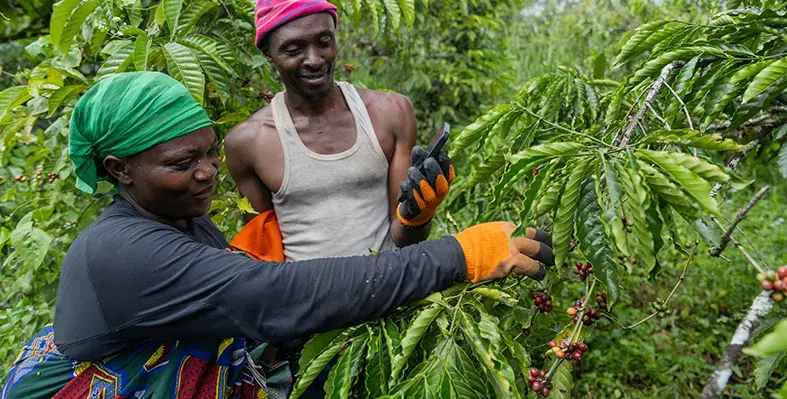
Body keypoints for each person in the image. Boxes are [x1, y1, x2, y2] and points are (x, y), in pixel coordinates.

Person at [0, 72, 554, 399]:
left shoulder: (176, 217)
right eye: (182, 162)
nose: (207, 173)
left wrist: (410, 226)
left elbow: (256, 312)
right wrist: (461, 254)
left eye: (209, 152)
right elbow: (277, 298)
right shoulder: (120, 250)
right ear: (121, 169)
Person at [225, 0, 455, 264]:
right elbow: (261, 253)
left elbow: (404, 237)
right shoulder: (248, 143)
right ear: (267, 52)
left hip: (388, 292)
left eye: (324, 42)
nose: (314, 60)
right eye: (293, 50)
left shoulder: (391, 113)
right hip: (305, 299)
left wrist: (419, 214)